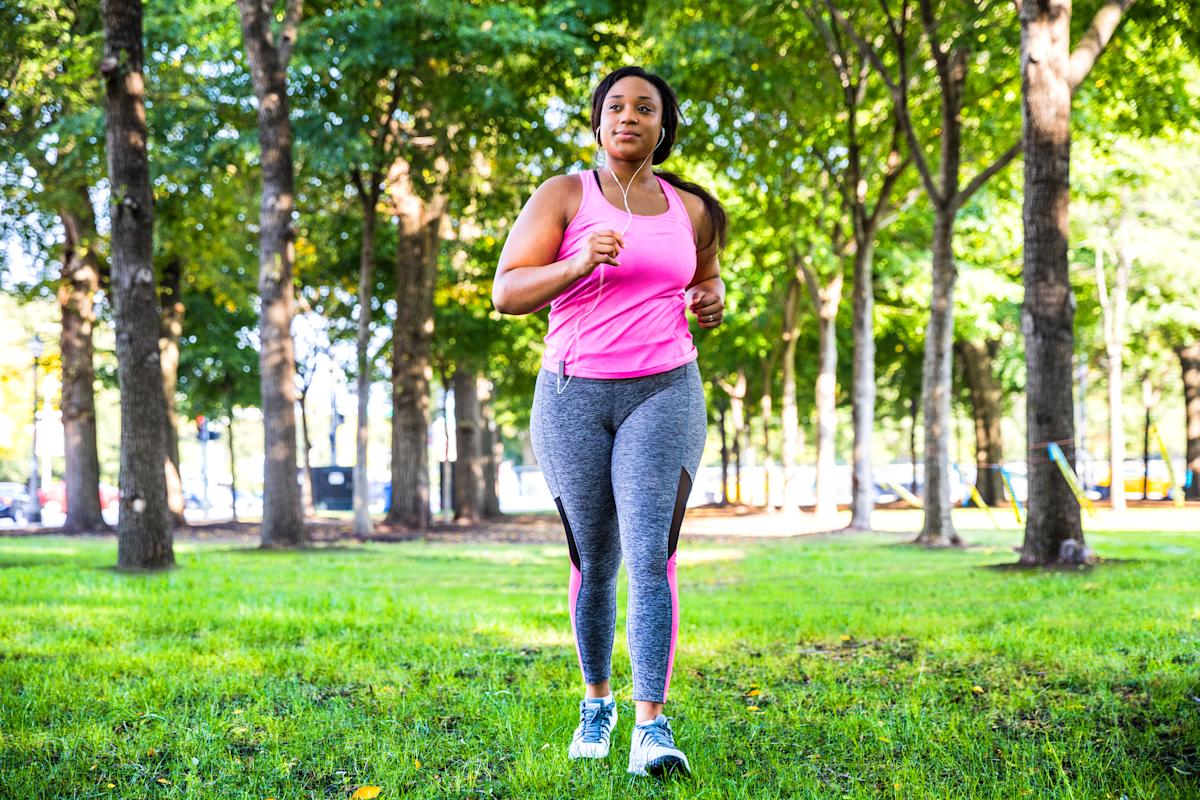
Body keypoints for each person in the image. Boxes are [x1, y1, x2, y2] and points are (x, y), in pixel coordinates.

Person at [491, 65, 727, 778]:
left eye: (645, 108)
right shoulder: (564, 195)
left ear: (663, 126)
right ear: (598, 122)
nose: (629, 116)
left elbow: (705, 274)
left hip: (665, 389)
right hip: (573, 394)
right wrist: (576, 265)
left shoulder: (692, 208)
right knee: (595, 558)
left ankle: (651, 727)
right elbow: (507, 292)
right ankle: (597, 704)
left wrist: (712, 300)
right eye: (616, 106)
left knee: (652, 554)